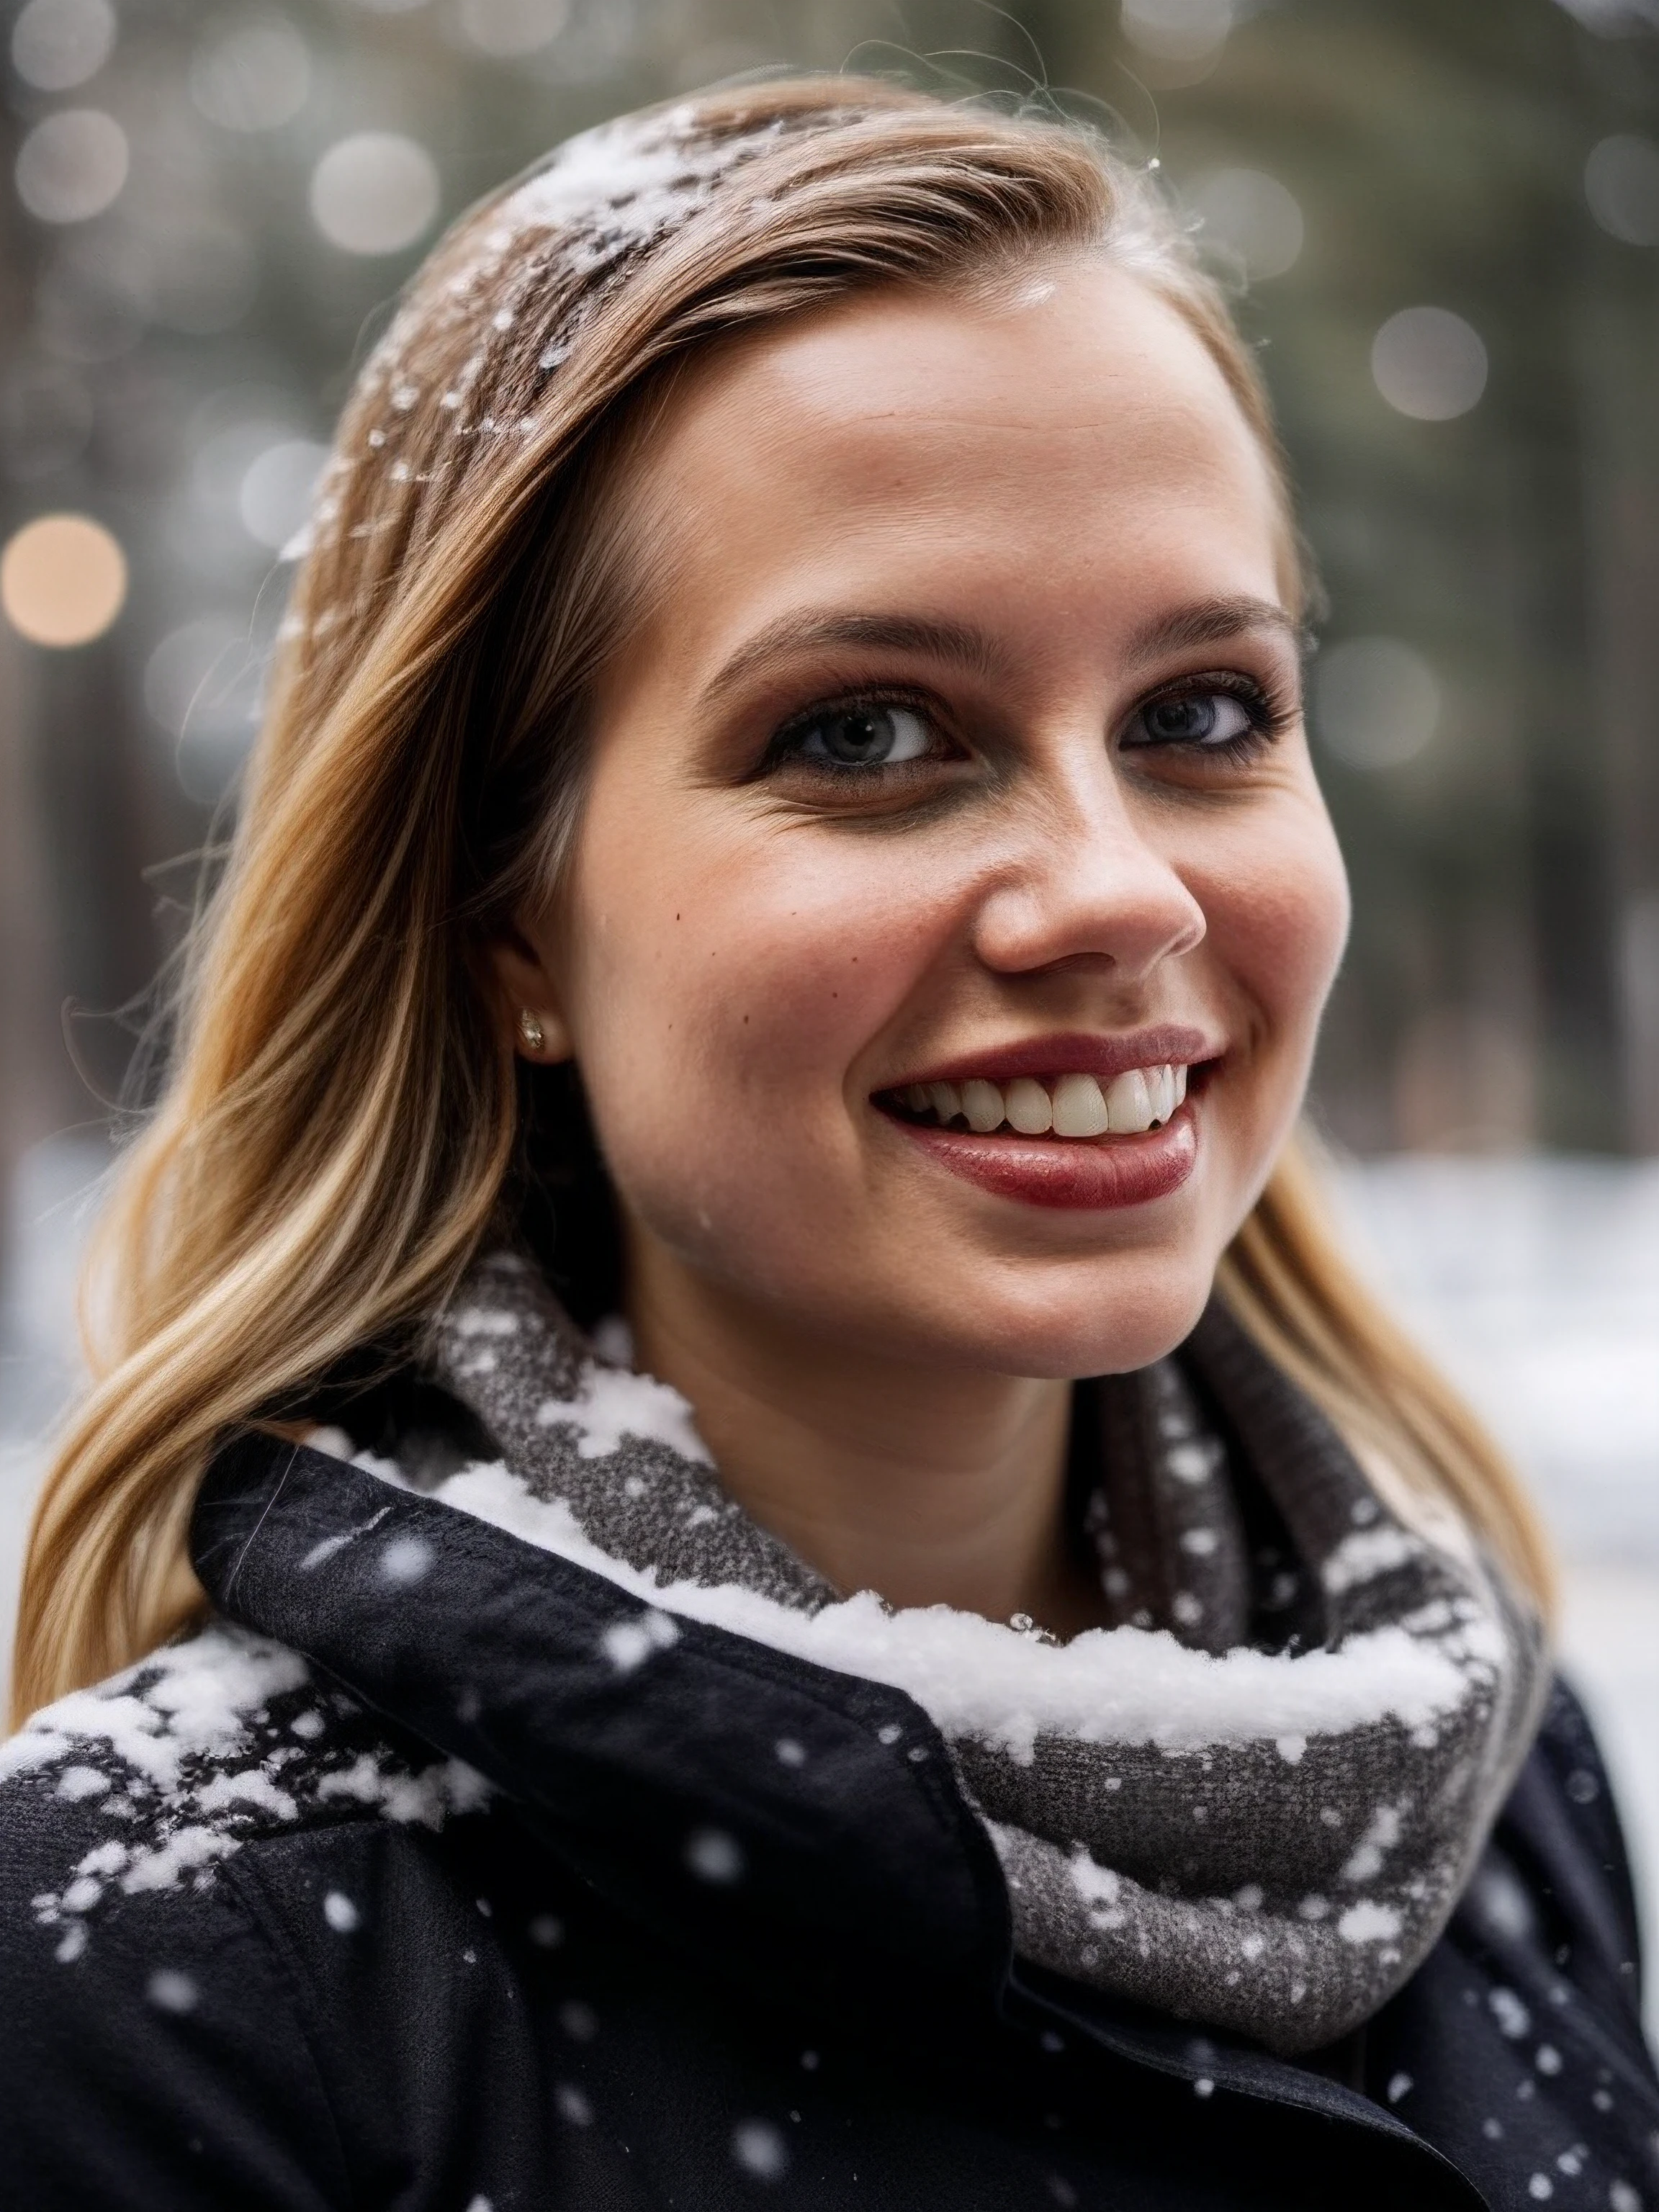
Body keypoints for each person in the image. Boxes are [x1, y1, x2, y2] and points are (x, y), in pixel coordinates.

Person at [1, 76, 1653, 2212]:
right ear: (507, 912)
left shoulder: (1481, 1775)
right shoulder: (167, 1974)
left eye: (1202, 714)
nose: (1123, 889)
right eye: (867, 733)